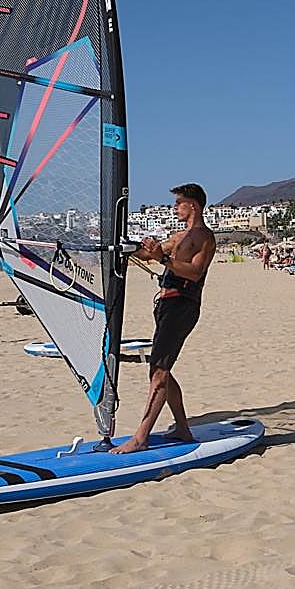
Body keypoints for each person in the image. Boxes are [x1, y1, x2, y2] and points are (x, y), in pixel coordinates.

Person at [112, 183, 216, 454]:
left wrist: (163, 260)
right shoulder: (178, 236)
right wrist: (126, 246)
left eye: (178, 202)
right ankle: (182, 428)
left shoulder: (204, 237)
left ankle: (140, 438)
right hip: (165, 306)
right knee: (160, 370)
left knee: (158, 372)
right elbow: (149, 254)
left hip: (183, 306)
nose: (174, 207)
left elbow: (195, 272)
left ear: (193, 205)